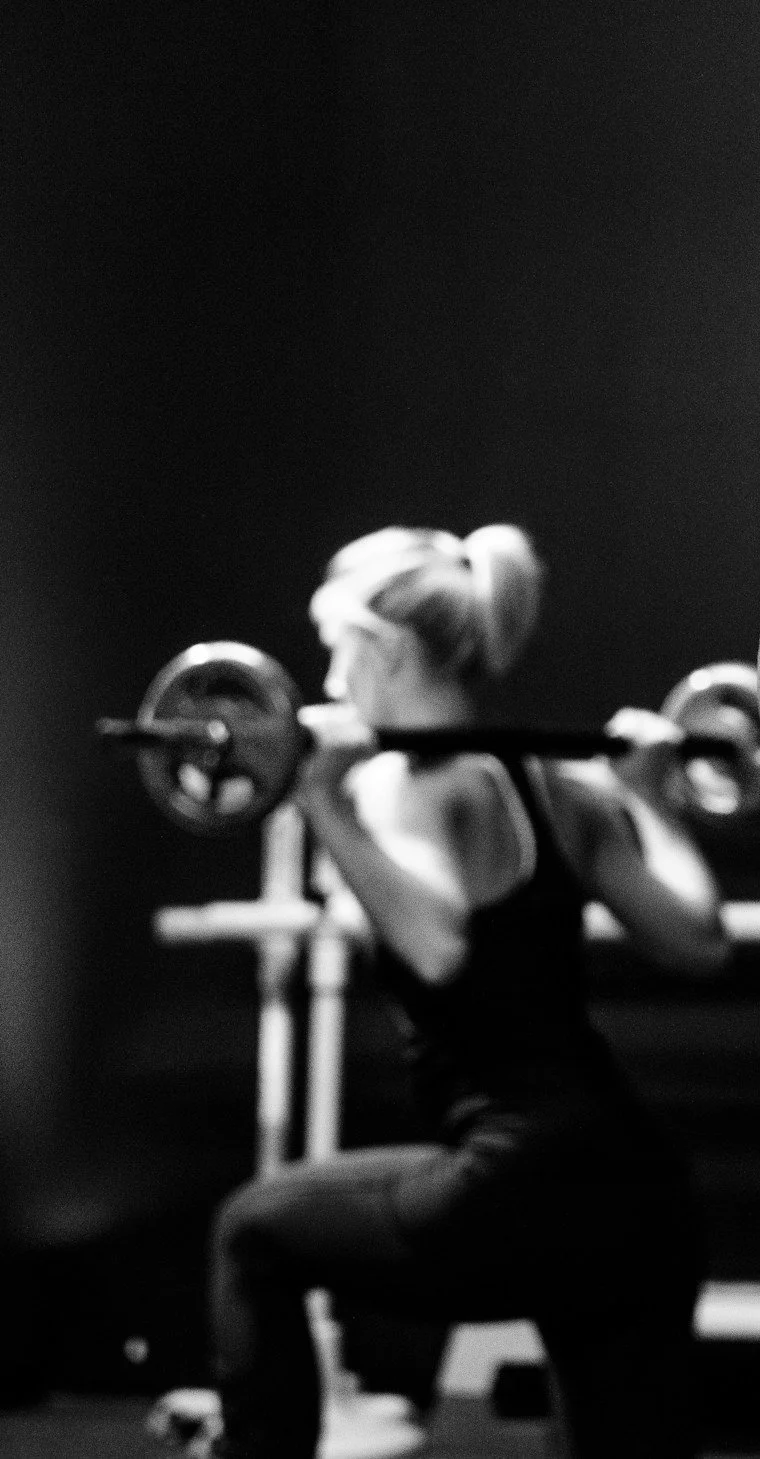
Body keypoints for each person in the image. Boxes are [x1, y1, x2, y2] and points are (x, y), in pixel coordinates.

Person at [180, 525, 727, 1459]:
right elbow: (700, 939)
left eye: (337, 645)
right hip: (635, 1190)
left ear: (385, 649)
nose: (330, 672)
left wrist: (320, 800)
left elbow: (434, 945)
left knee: (251, 1231)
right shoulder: (565, 780)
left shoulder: (406, 785)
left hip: (514, 1179)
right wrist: (652, 798)